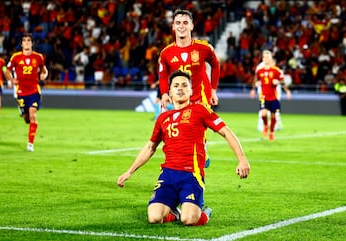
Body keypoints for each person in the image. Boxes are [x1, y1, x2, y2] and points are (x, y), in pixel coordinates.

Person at [117, 70, 250, 226]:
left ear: (191, 91)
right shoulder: (162, 118)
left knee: (189, 219)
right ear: (170, 91)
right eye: (176, 85)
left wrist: (242, 159)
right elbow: (150, 147)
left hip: (191, 175)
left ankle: (203, 213)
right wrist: (130, 171)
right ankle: (174, 212)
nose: (180, 88)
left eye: (184, 85)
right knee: (154, 218)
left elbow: (226, 132)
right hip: (168, 175)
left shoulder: (200, 110)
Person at [158, 9, 221, 167]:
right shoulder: (166, 53)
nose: (181, 26)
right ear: (173, 26)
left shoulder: (204, 48)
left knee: (197, 127)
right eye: (178, 23)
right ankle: (185, 160)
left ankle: (199, 154)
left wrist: (213, 89)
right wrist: (165, 94)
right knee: (182, 129)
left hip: (201, 95)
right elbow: (163, 74)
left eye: (185, 23)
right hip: (180, 97)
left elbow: (216, 65)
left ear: (192, 26)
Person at [5, 33, 48, 152]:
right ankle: (24, 114)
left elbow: (44, 70)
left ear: (32, 43)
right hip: (21, 92)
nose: (27, 42)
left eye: (29, 40)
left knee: (33, 115)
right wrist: (12, 80)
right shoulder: (15, 57)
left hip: (34, 91)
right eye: (24, 40)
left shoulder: (38, 57)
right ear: (21, 44)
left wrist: (44, 75)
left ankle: (30, 143)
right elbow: (7, 71)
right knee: (27, 118)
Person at [250, 50, 290, 141]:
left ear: (271, 58)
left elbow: (283, 81)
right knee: (263, 113)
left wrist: (279, 83)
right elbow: (256, 80)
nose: (266, 58)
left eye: (268, 57)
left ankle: (271, 132)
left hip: (274, 97)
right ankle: (265, 126)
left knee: (273, 116)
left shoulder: (276, 70)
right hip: (263, 96)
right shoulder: (259, 71)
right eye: (264, 57)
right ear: (263, 58)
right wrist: (254, 88)